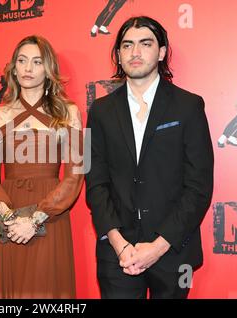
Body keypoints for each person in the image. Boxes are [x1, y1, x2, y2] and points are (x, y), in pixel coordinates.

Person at [86, 16, 214, 298]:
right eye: (127, 45)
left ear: (162, 51)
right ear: (118, 55)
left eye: (146, 44)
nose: (135, 52)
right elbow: (95, 182)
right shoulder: (98, 111)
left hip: (173, 251)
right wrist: (120, 245)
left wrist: (158, 247)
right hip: (118, 254)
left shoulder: (189, 106)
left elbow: (199, 186)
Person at [0, 35, 84, 298]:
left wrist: (35, 220)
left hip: (51, 214)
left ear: (48, 69)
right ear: (13, 68)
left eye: (37, 62)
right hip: (9, 213)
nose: (27, 68)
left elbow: (76, 175)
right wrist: (9, 217)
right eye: (22, 61)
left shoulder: (70, 112)